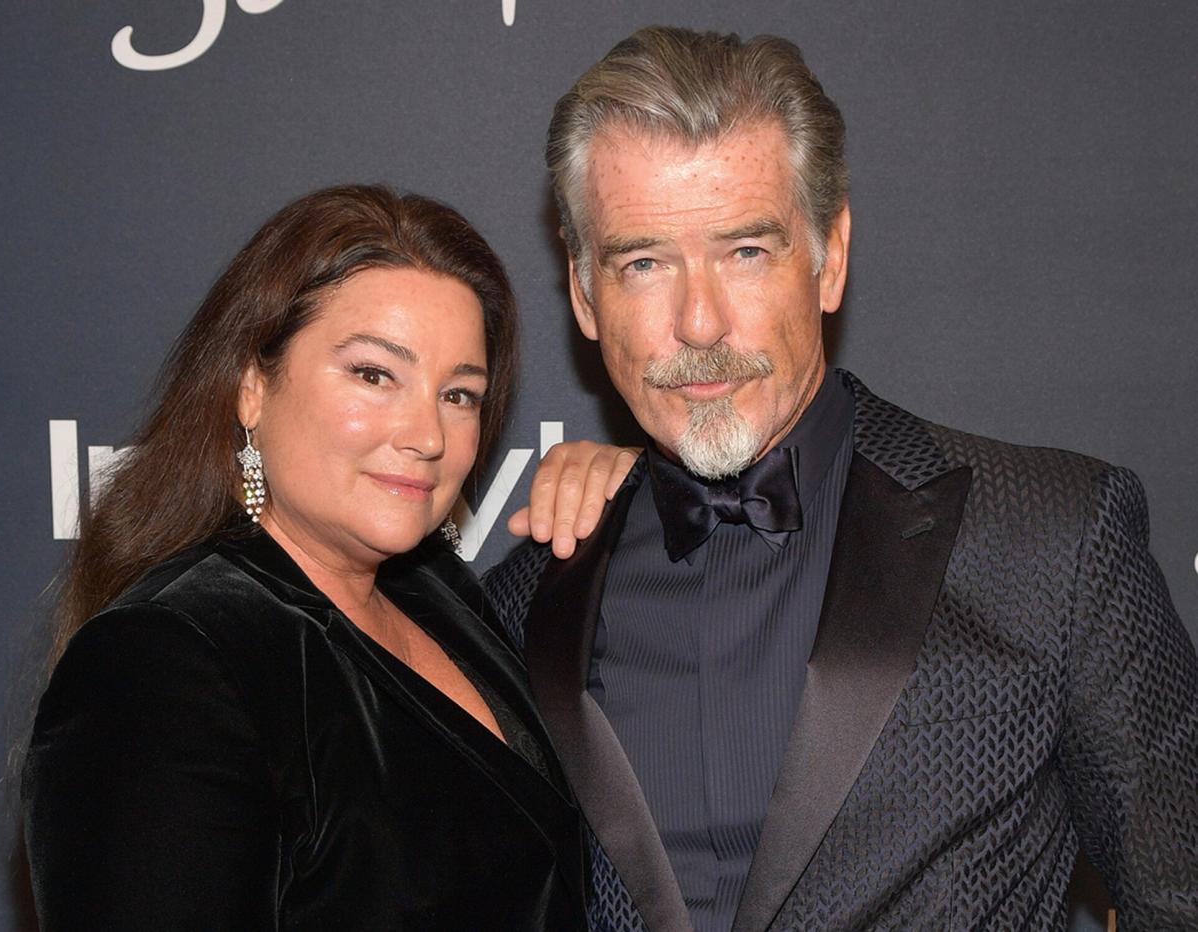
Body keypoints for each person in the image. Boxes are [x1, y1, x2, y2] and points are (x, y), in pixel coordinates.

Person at [486, 26, 1198, 932]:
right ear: (585, 293)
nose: (698, 321)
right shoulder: (525, 601)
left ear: (831, 257)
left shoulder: (1052, 539)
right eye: (644, 263)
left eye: (747, 251)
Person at [22, 184, 630, 930]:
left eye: (459, 395)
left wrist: (646, 486)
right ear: (251, 386)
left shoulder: (442, 596)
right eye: (375, 375)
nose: (427, 435)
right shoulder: (163, 663)